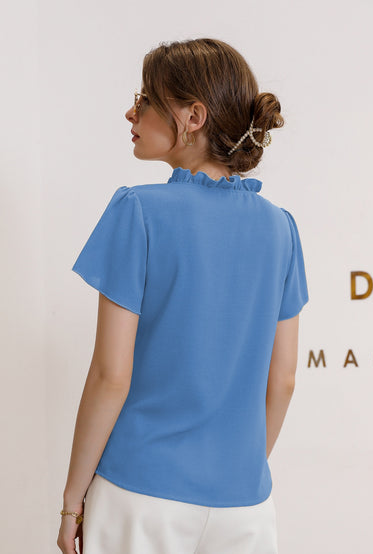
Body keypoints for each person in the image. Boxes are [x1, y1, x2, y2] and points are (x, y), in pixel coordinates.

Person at [57, 37, 309, 554]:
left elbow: (111, 376)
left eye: (146, 99)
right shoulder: (281, 228)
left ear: (193, 116)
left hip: (140, 493)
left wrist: (71, 500)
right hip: (246, 506)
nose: (131, 112)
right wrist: (236, 472)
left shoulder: (138, 211)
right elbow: (282, 380)